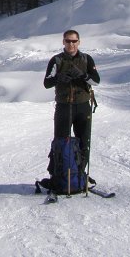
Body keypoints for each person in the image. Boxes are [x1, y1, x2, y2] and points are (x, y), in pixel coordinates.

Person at [43, 29, 100, 169]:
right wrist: (58, 78)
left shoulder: (86, 59)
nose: (71, 44)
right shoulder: (56, 60)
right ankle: (61, 177)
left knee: (83, 142)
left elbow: (96, 81)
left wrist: (83, 75)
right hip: (64, 106)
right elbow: (46, 83)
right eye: (68, 41)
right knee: (62, 141)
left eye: (74, 41)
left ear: (79, 42)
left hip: (83, 106)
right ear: (63, 42)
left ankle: (79, 176)